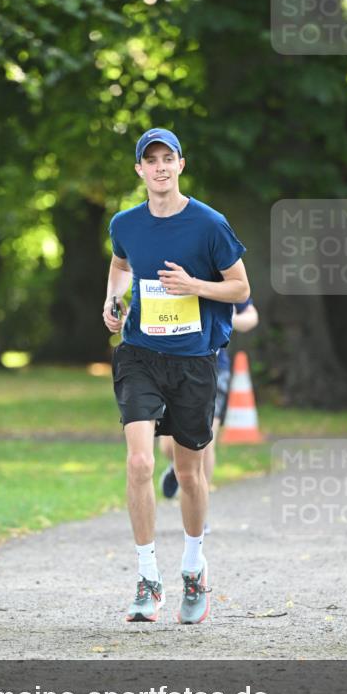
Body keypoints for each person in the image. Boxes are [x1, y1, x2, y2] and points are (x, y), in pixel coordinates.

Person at [103, 127, 250, 624]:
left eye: (169, 158)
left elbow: (238, 287)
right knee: (141, 463)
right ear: (140, 170)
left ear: (181, 166)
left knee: (189, 472)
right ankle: (147, 579)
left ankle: (194, 568)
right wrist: (114, 299)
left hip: (194, 358)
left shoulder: (209, 224)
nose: (161, 167)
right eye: (152, 160)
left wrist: (193, 285)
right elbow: (121, 264)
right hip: (140, 354)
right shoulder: (125, 223)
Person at [159, 299, 259, 503]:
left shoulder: (223, 274)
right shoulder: (169, 273)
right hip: (171, 365)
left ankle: (199, 509)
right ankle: (178, 466)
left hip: (213, 367)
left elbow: (251, 316)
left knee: (205, 440)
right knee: (168, 446)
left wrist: (230, 318)